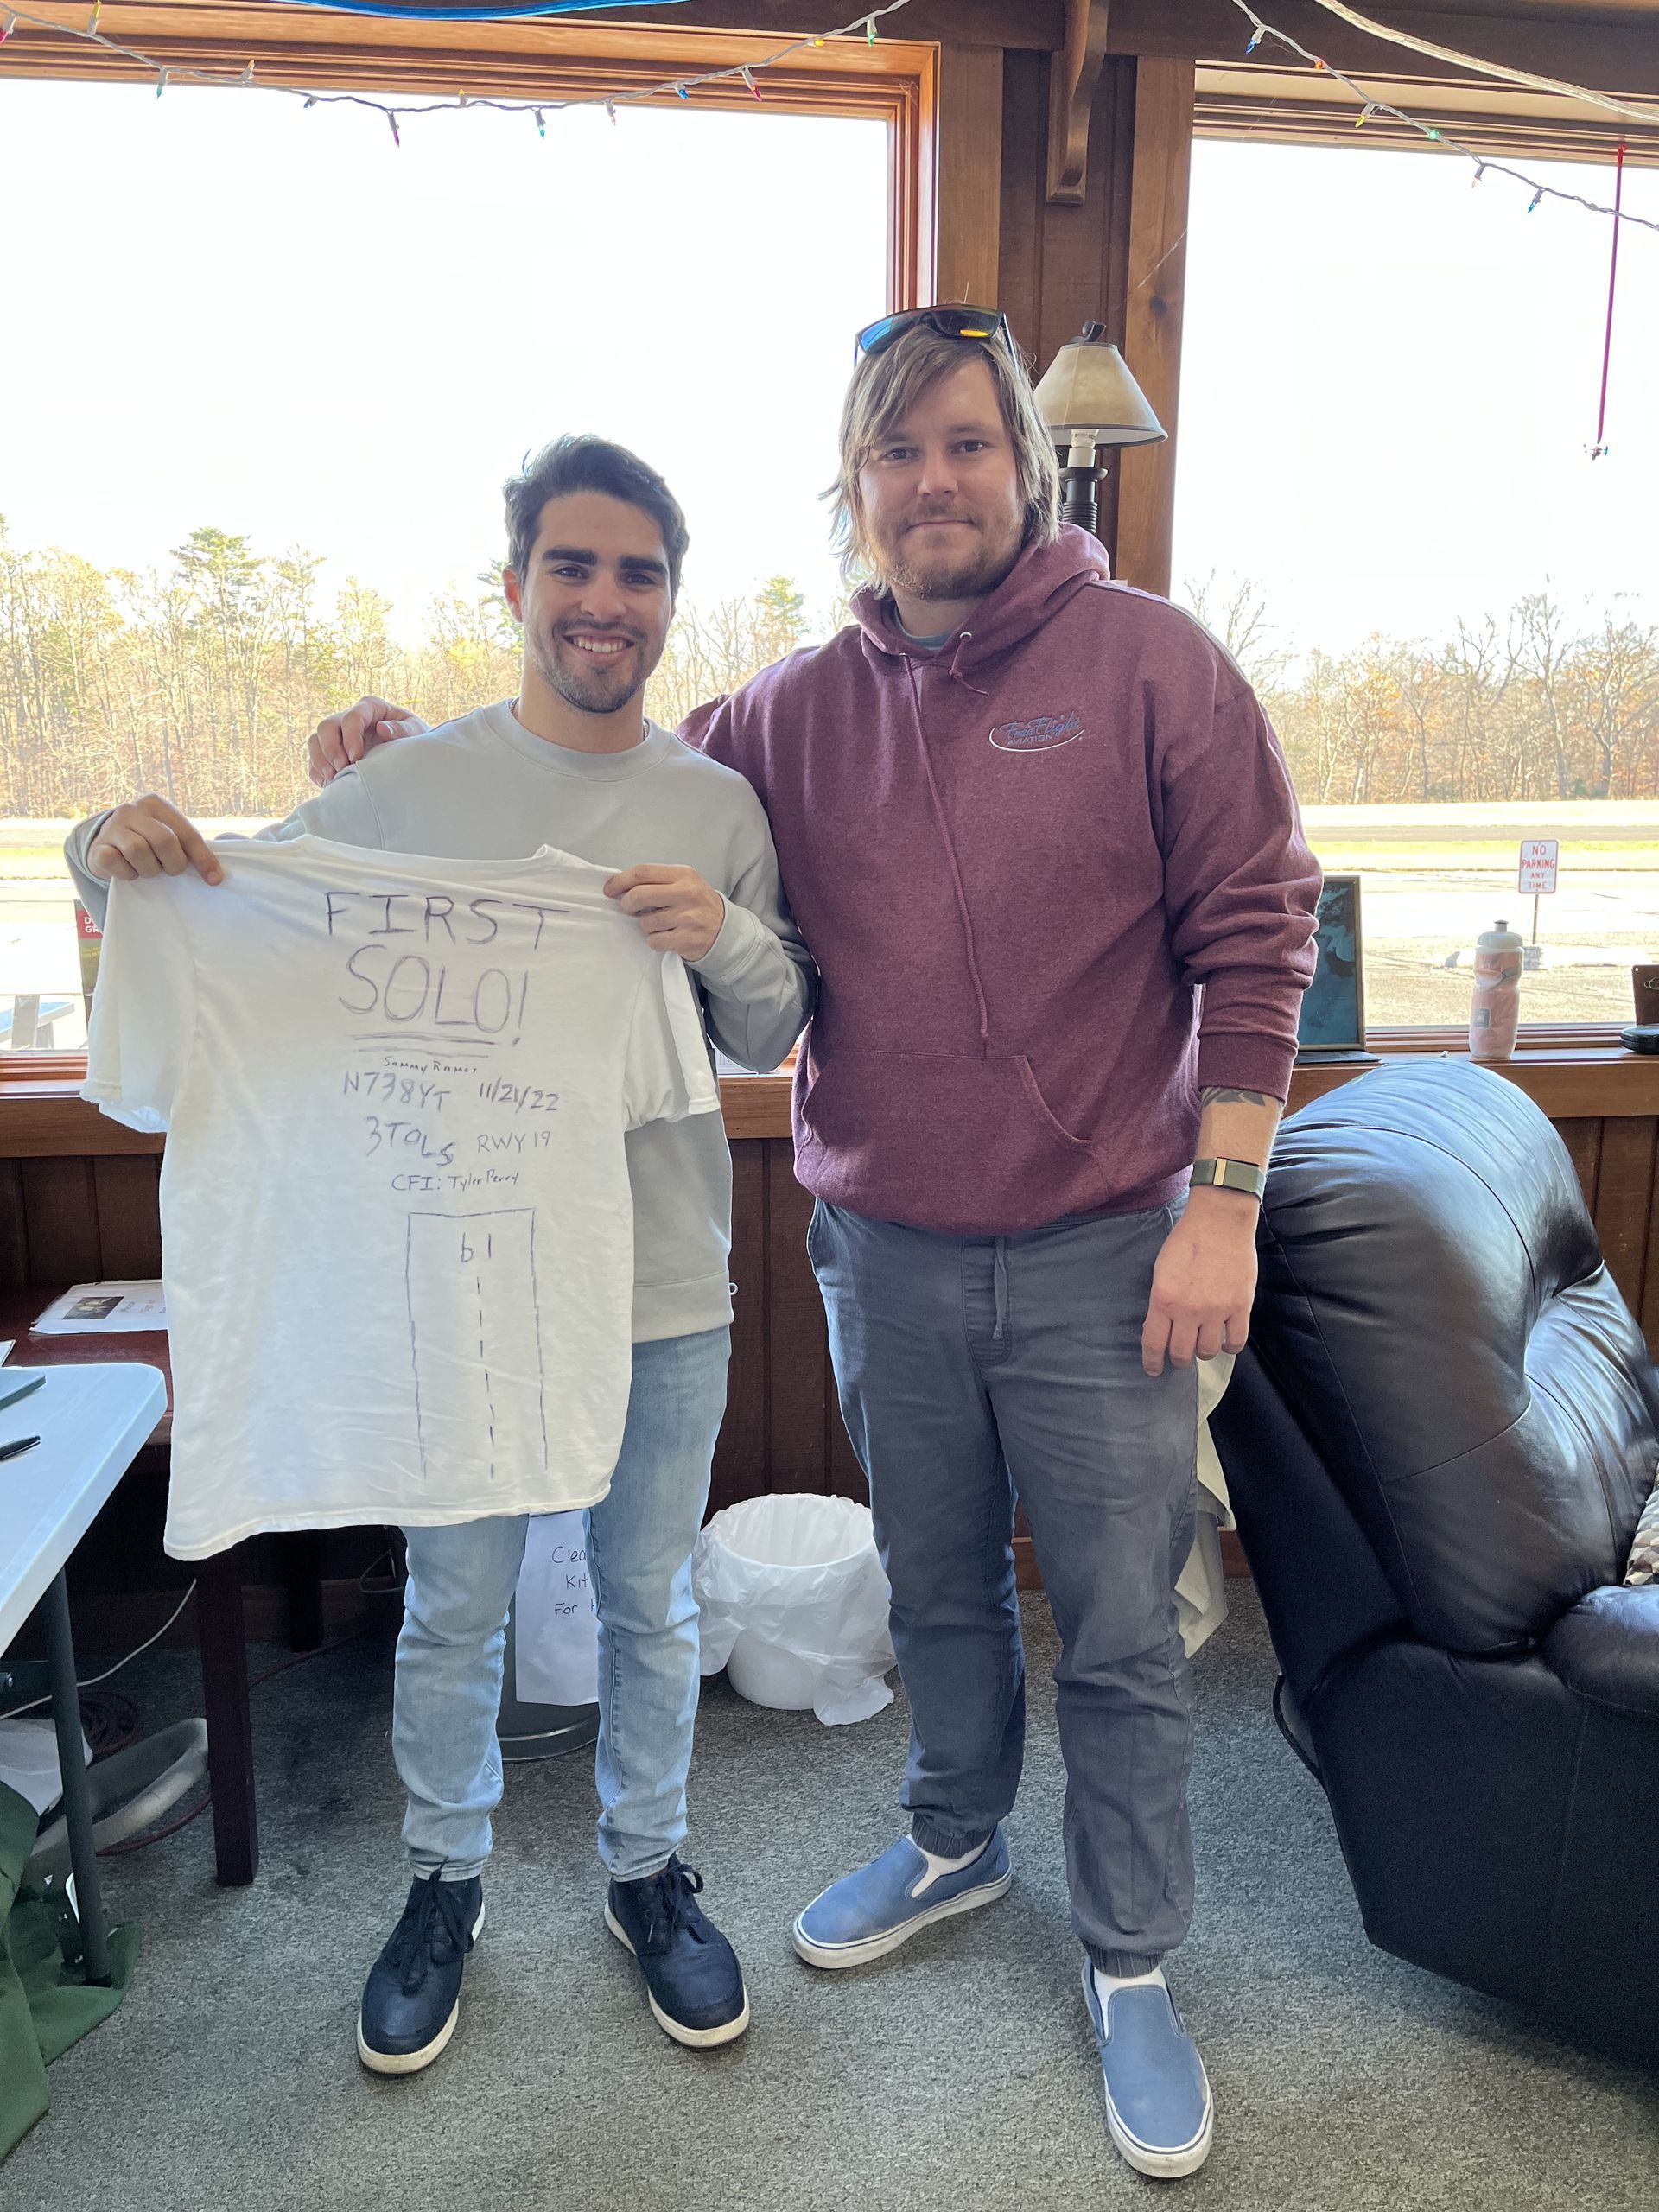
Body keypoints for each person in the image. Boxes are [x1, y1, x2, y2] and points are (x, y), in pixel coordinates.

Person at [311, 306, 1319, 2178]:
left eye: (964, 444)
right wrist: (393, 738)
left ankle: (1132, 1952)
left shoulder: (1155, 664)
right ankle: (957, 1833)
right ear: (852, 489)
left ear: (1024, 462)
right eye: (894, 452)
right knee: (935, 1586)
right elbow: (585, 768)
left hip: (1119, 1246)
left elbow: (1263, 929)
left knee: (1114, 1622)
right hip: (885, 1244)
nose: (931, 482)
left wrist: (1227, 1200)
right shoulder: (782, 712)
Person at [64, 435, 814, 2075]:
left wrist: (724, 935)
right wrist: (100, 850)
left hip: (664, 1280)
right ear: (518, 585)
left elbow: (778, 1026)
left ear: (670, 600)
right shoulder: (403, 785)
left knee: (649, 1602)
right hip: (452, 1278)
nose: (604, 600)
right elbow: (227, 902)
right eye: (574, 565)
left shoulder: (715, 803)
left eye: (637, 572)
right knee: (456, 1604)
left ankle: (647, 1872)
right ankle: (442, 1881)